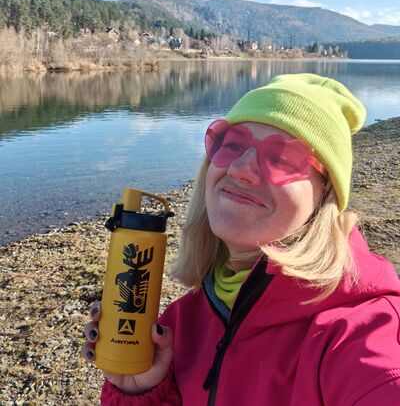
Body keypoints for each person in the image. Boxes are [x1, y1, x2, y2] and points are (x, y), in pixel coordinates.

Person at [81, 73, 400, 405]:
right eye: (232, 145)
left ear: (325, 195)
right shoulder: (181, 324)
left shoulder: (359, 333)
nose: (241, 168)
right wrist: (141, 392)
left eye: (280, 157)